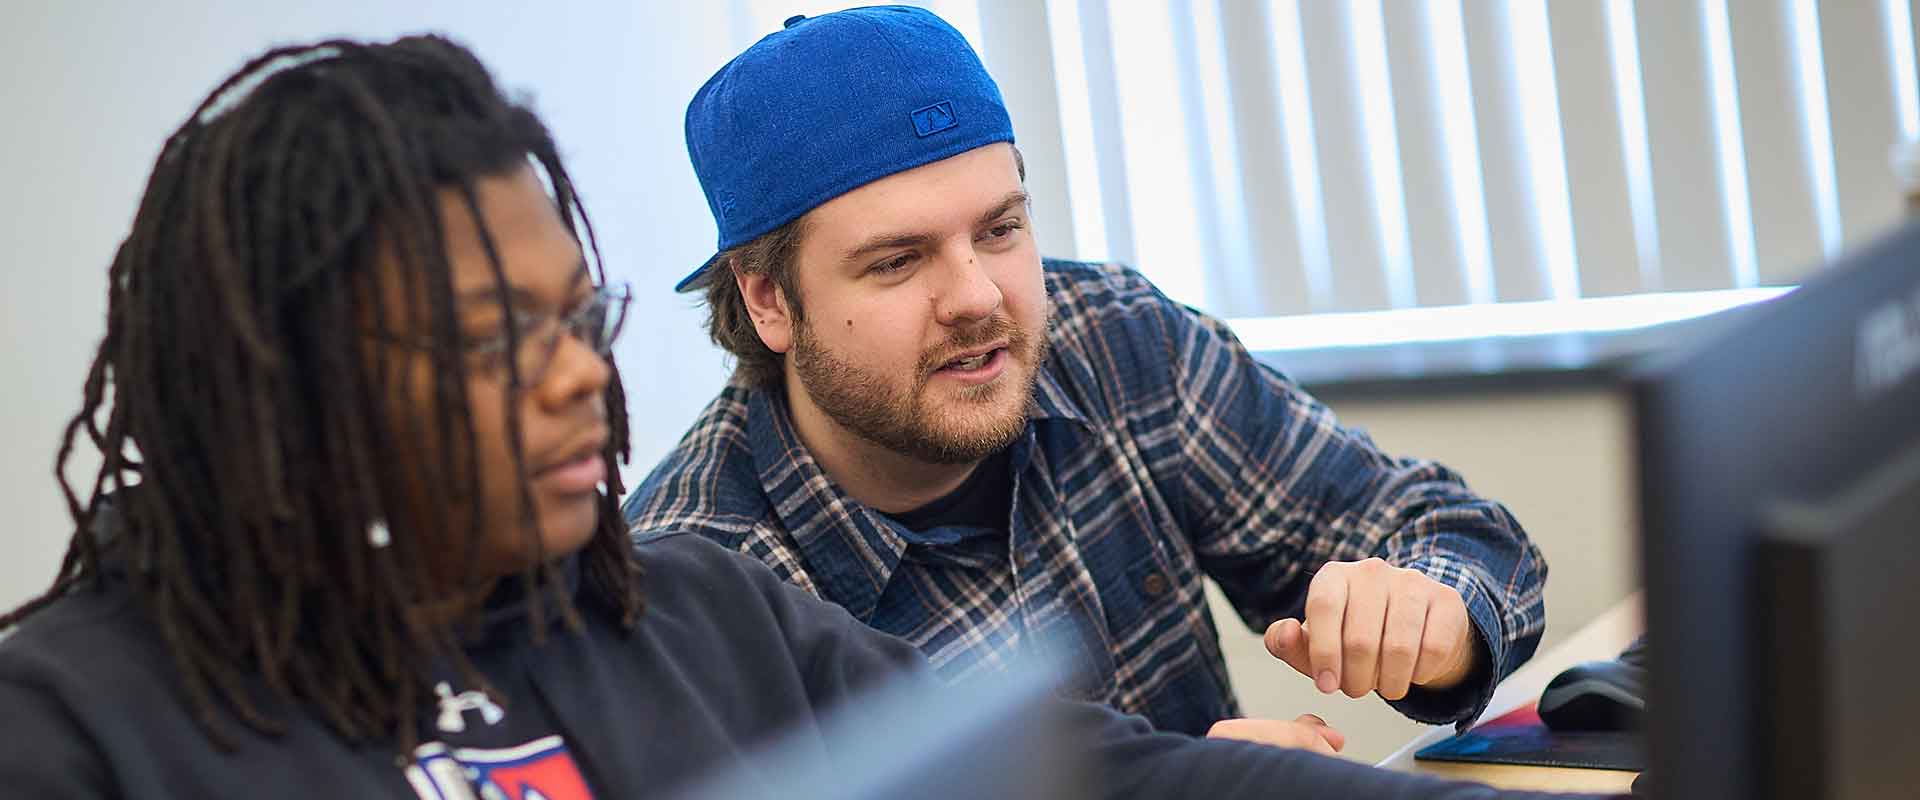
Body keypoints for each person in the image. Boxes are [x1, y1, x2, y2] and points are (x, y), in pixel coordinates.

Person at [0, 34, 1615, 800]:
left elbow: (1095, 775)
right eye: (502, 343)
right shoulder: (74, 725)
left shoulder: (661, 620)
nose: (581, 382)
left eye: (580, 321)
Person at [626, 4, 1549, 742]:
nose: (979, 297)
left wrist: (1436, 616)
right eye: (898, 261)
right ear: (769, 302)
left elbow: (1470, 541)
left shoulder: (1114, 343)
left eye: (1000, 228)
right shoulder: (691, 589)